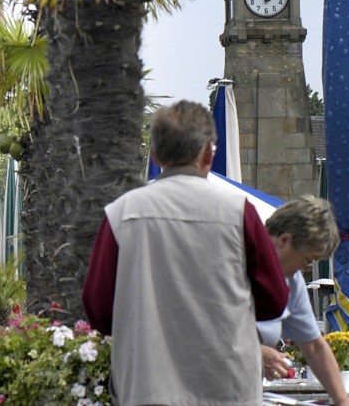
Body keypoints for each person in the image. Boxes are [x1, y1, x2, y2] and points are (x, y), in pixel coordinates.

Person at [82, 100, 289, 406]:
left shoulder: (122, 214)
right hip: (227, 385)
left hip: (147, 384)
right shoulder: (239, 212)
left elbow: (98, 308)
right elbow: (274, 300)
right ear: (208, 153)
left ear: (154, 154)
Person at [257, 196, 349, 406]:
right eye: (307, 261)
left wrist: (342, 400)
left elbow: (314, 347)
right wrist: (255, 353)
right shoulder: (234, 257)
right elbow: (197, 326)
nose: (303, 269)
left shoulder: (291, 280)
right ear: (284, 240)